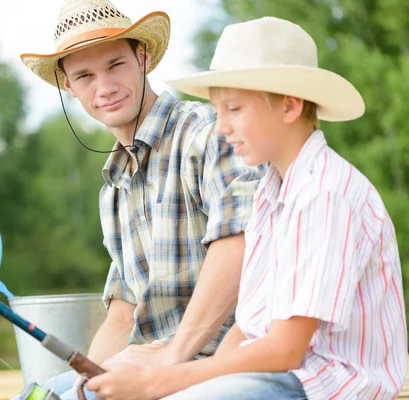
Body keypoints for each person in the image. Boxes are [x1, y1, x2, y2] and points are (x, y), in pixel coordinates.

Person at [82, 16, 408, 400]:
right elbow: (246, 328)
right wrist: (183, 379)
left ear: (289, 106)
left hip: (322, 383)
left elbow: (286, 349)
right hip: (273, 375)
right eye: (218, 111)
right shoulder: (273, 193)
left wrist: (159, 380)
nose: (220, 127)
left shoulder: (324, 192)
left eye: (233, 109)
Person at [20, 0, 263, 398]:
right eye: (84, 75)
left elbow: (240, 242)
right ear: (68, 86)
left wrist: (169, 361)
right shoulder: (113, 190)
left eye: (116, 65)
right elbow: (122, 315)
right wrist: (91, 382)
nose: (105, 88)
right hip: (149, 366)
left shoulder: (205, 133)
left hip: (227, 366)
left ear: (142, 57)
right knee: (42, 394)